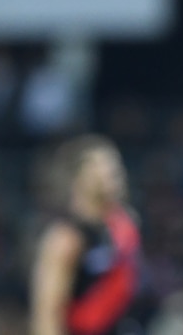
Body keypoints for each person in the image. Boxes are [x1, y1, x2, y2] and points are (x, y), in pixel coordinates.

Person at [30, 134, 142, 335]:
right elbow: (47, 314)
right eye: (101, 165)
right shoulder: (65, 238)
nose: (112, 171)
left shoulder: (123, 226)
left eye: (114, 164)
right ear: (78, 177)